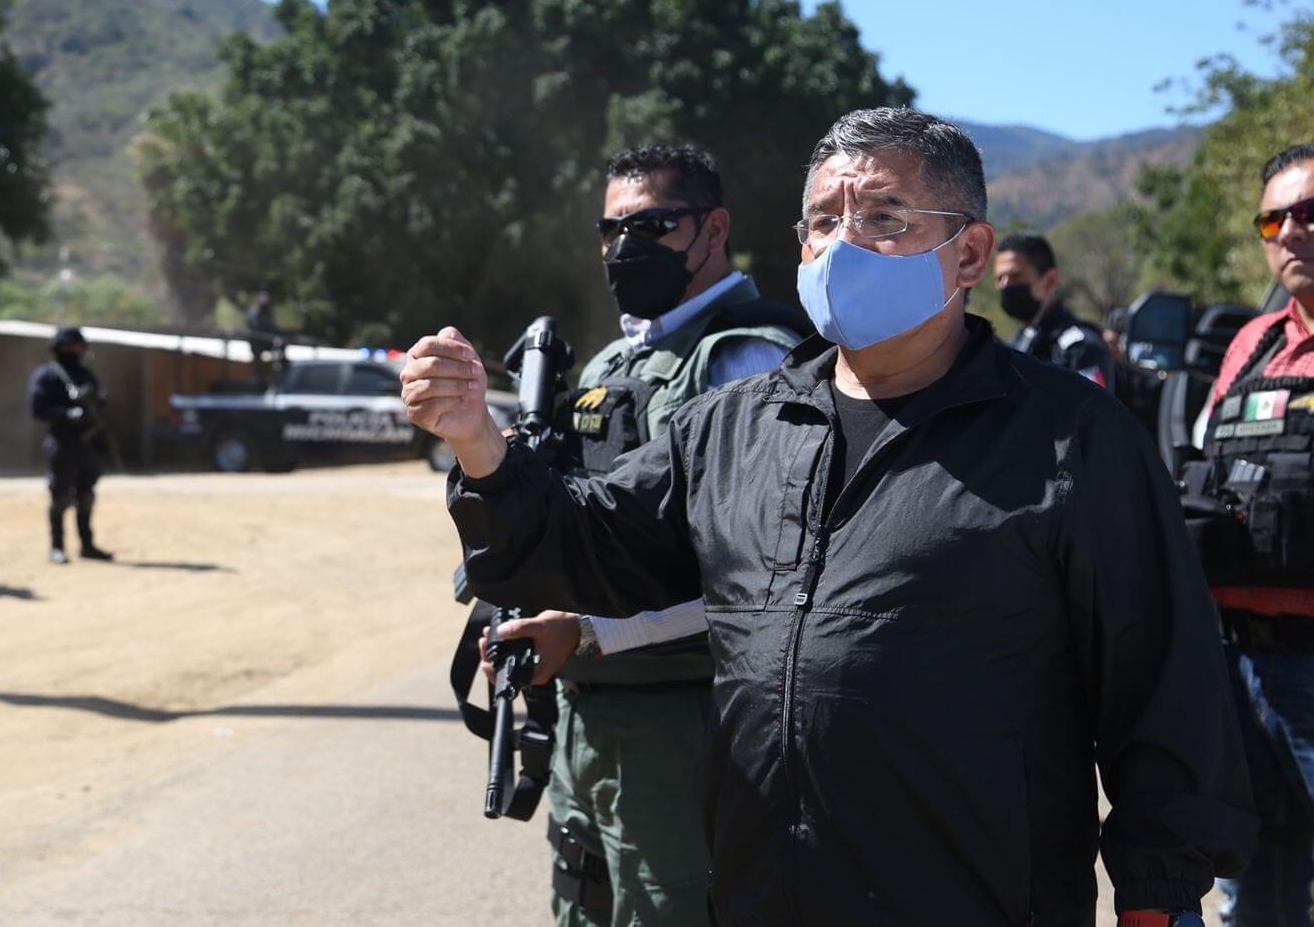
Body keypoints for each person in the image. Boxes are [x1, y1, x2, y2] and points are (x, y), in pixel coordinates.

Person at [406, 108, 1253, 926]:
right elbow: (584, 545)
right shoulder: (731, 427)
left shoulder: (1072, 439)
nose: (844, 242)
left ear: (970, 256)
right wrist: (480, 443)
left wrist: (1160, 897)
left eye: (884, 215)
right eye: (822, 219)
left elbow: (1162, 690)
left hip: (973, 899)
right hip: (761, 894)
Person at [484, 144, 804, 926]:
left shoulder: (748, 359)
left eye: (653, 226)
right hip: (589, 717)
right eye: (612, 229)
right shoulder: (614, 362)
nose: (625, 247)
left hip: (689, 721)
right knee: (585, 904)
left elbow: (764, 582)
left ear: (713, 229)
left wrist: (591, 632)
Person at [1190, 142, 1314, 924]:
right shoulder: (1252, 343)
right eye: (1275, 218)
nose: (1292, 232)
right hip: (1238, 665)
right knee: (1252, 892)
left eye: (1311, 214)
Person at [28, 327, 114, 564]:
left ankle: (87, 545)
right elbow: (37, 409)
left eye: (78, 346)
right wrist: (68, 414)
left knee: (86, 495)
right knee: (61, 497)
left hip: (87, 443)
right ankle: (57, 547)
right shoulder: (47, 375)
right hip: (62, 443)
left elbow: (102, 401)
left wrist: (94, 409)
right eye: (72, 346)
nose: (77, 350)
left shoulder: (86, 374)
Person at [993, 231, 1117, 391]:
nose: (1005, 285)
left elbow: (1092, 413)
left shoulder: (1080, 348)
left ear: (1050, 281)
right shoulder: (1019, 341)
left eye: (1015, 276)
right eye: (999, 278)